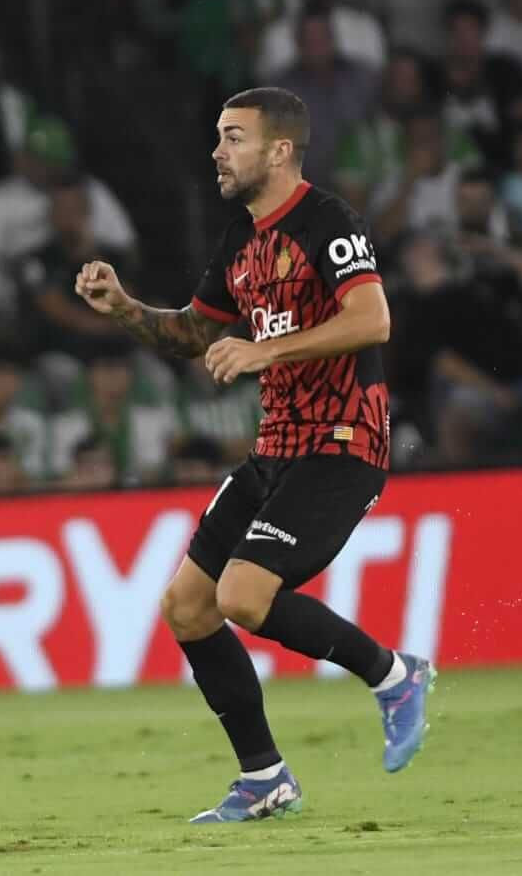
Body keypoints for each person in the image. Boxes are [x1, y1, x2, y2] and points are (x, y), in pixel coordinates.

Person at [73, 87, 429, 823]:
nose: (216, 150)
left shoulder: (326, 221)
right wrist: (124, 309)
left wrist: (264, 348)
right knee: (188, 607)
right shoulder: (241, 237)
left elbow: (372, 318)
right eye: (216, 136)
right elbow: (196, 334)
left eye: (232, 137)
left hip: (341, 444)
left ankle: (394, 674)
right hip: (274, 448)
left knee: (241, 594)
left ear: (279, 150)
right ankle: (264, 776)